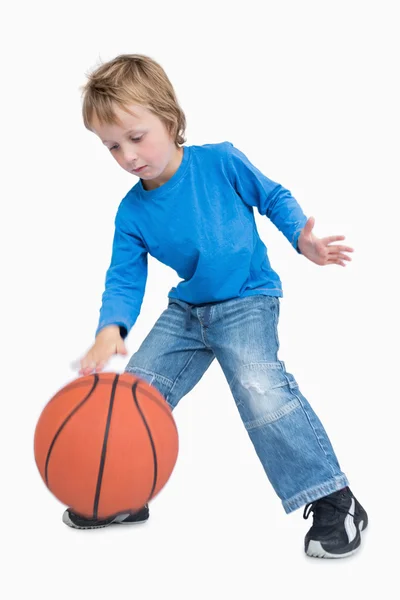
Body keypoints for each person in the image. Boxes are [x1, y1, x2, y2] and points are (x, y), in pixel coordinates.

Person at [64, 53, 368, 559]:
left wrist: (301, 239)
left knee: (258, 386)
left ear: (169, 117)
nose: (128, 155)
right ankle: (125, 494)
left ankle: (335, 499)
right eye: (112, 147)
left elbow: (273, 197)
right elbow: (123, 278)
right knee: (134, 395)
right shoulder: (131, 211)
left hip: (248, 299)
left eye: (136, 137)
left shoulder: (220, 160)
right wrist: (110, 328)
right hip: (188, 312)